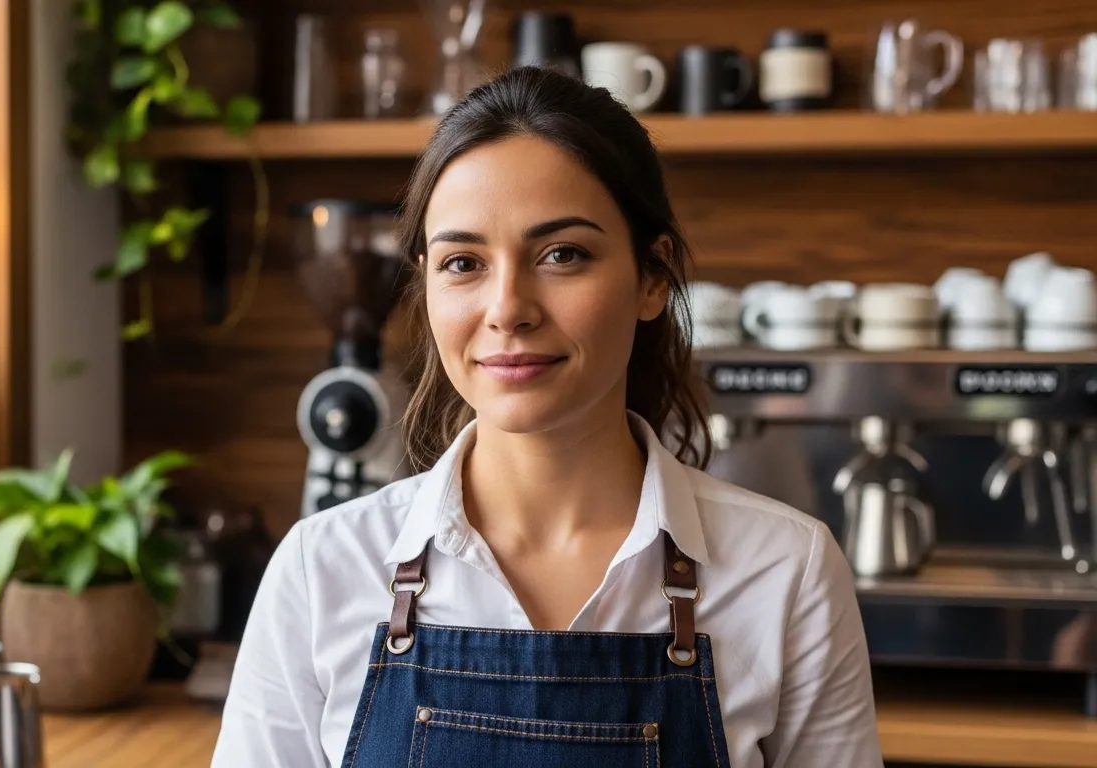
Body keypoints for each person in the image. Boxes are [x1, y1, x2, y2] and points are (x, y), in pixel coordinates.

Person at [211, 66, 881, 768]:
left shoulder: (787, 572)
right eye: (463, 262)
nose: (507, 309)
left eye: (563, 254)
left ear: (652, 277)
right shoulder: (322, 570)